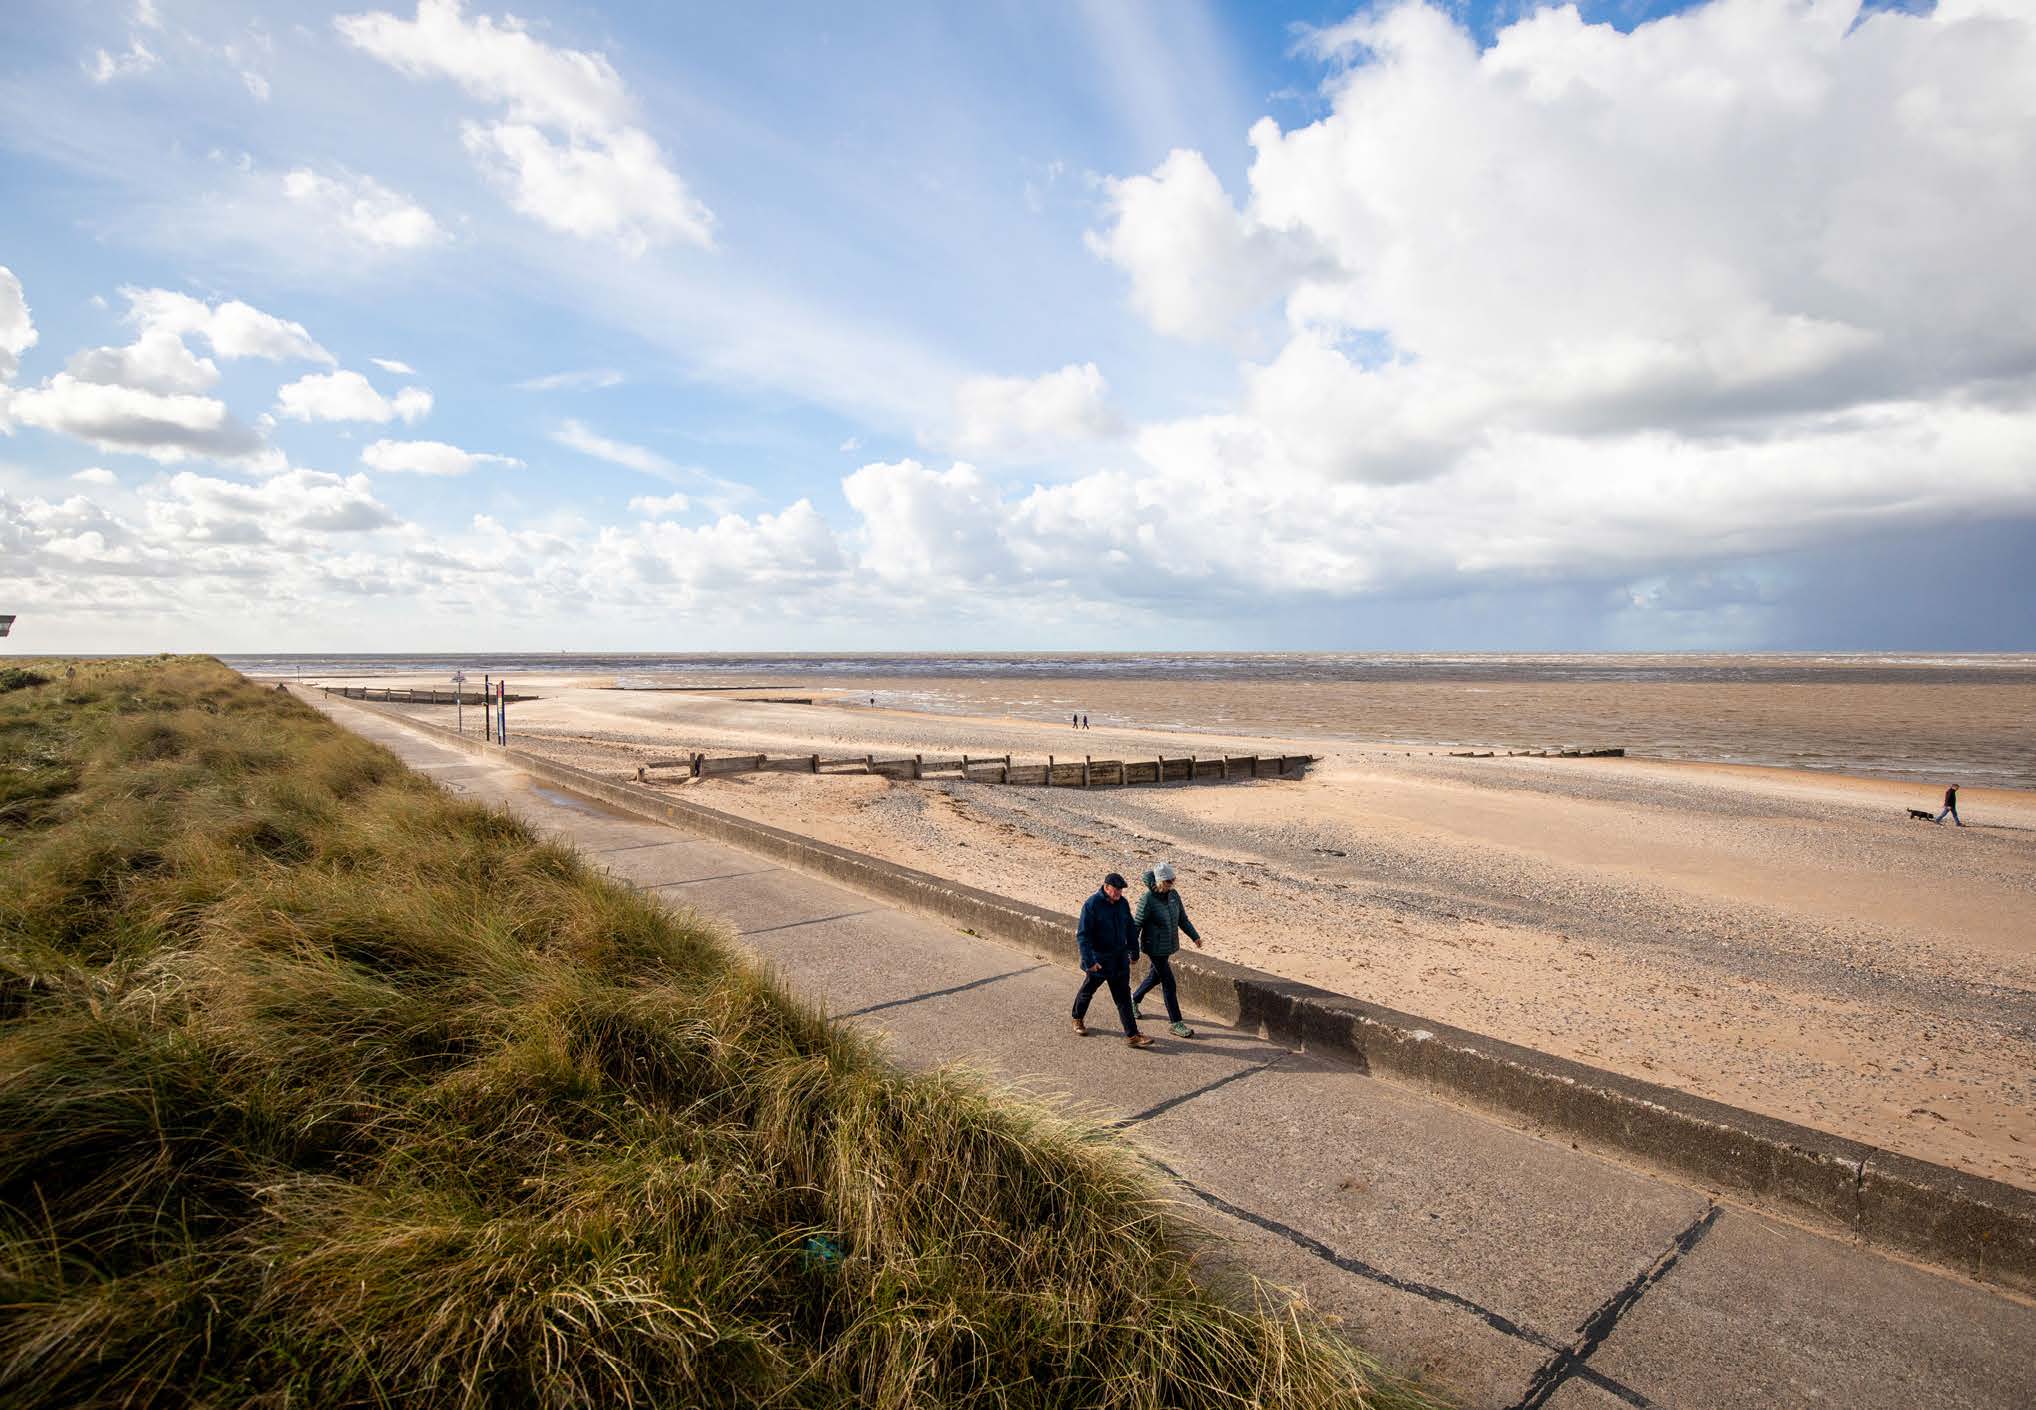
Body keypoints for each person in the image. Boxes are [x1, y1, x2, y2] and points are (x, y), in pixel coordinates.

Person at [1072, 872, 1152, 1047]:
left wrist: (1134, 952)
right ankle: (1077, 1018)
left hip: (1119, 960)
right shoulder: (1091, 905)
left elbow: (1130, 929)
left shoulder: (1122, 904)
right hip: (1099, 961)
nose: (1118, 894)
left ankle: (1133, 1036)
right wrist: (1089, 961)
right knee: (1088, 991)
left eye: (1121, 891)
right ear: (1106, 887)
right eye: (1116, 890)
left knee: (1123, 998)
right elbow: (1083, 936)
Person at [1132, 862, 1202, 1038]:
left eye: (1174, 880)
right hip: (1154, 947)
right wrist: (1132, 951)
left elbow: (1182, 919)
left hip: (1168, 945)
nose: (1173, 883)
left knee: (1155, 977)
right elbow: (1136, 925)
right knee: (1169, 983)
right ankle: (1176, 1022)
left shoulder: (1173, 895)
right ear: (1161, 881)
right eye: (1170, 881)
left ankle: (1134, 999)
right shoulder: (1147, 899)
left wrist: (1195, 937)